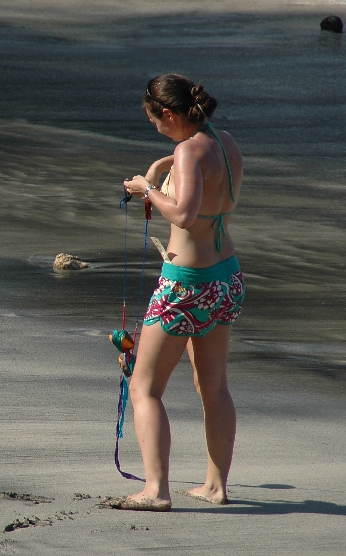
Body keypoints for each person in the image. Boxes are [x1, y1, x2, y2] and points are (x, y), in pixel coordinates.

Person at [114, 74, 245, 511]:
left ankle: (156, 490)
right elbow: (206, 194)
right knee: (213, 386)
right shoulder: (223, 141)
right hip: (225, 276)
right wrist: (158, 172)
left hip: (187, 285)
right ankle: (215, 485)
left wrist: (146, 188)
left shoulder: (188, 152)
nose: (155, 127)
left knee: (144, 387)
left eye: (155, 120)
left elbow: (185, 215)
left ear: (168, 114)